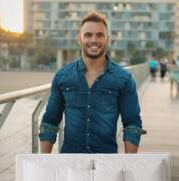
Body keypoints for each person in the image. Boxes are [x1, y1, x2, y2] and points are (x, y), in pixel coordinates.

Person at [38, 11, 145, 154]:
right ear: (79, 39)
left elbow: (132, 125)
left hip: (107, 164)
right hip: (70, 162)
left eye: (100, 35)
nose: (94, 40)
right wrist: (44, 164)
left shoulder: (123, 79)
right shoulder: (62, 76)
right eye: (88, 35)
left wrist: (127, 166)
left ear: (107, 39)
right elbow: (49, 123)